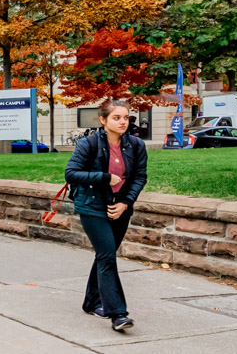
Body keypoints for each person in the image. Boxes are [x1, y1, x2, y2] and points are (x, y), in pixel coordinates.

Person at [64, 99, 147, 334]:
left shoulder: (136, 145)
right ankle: (118, 313)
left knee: (105, 255)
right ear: (103, 120)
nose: (123, 122)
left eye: (126, 117)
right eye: (116, 117)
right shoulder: (88, 143)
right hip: (92, 206)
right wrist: (104, 177)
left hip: (119, 208)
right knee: (108, 256)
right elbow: (71, 173)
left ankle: (92, 301)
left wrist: (125, 202)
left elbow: (139, 177)